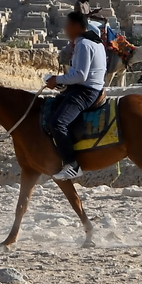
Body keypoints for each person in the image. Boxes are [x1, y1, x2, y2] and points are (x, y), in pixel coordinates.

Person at [44, 10, 106, 181]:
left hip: (85, 91)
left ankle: (72, 164)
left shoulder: (84, 44)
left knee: (58, 123)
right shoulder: (95, 42)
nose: (65, 29)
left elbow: (80, 75)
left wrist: (56, 80)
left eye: (67, 26)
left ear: (76, 26)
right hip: (89, 87)